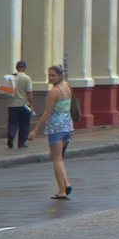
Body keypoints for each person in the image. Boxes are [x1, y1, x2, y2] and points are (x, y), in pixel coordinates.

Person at [28, 66, 74, 199]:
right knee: (58, 158)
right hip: (67, 126)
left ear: (60, 76)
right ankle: (66, 183)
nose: (50, 78)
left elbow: (47, 113)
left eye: (53, 75)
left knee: (57, 160)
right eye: (49, 75)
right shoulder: (67, 88)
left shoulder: (54, 92)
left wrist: (35, 130)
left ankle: (62, 190)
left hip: (56, 128)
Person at [4, 60, 34, 148]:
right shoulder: (27, 78)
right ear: (24, 68)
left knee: (12, 122)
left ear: (16, 68)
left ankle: (11, 134)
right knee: (24, 124)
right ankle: (21, 143)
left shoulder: (11, 78)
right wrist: (31, 105)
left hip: (12, 104)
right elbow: (29, 93)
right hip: (24, 104)